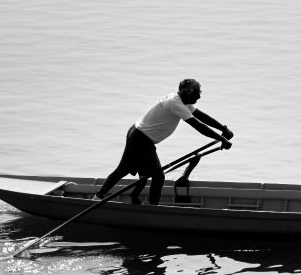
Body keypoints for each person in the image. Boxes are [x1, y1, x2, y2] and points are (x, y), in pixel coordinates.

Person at [97, 79, 234, 205]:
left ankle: (127, 198)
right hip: (141, 139)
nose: (199, 97)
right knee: (157, 177)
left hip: (137, 133)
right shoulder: (175, 103)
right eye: (198, 93)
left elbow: (201, 116)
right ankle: (152, 209)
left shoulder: (181, 101)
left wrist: (223, 128)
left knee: (135, 173)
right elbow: (199, 126)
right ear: (187, 92)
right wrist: (222, 139)